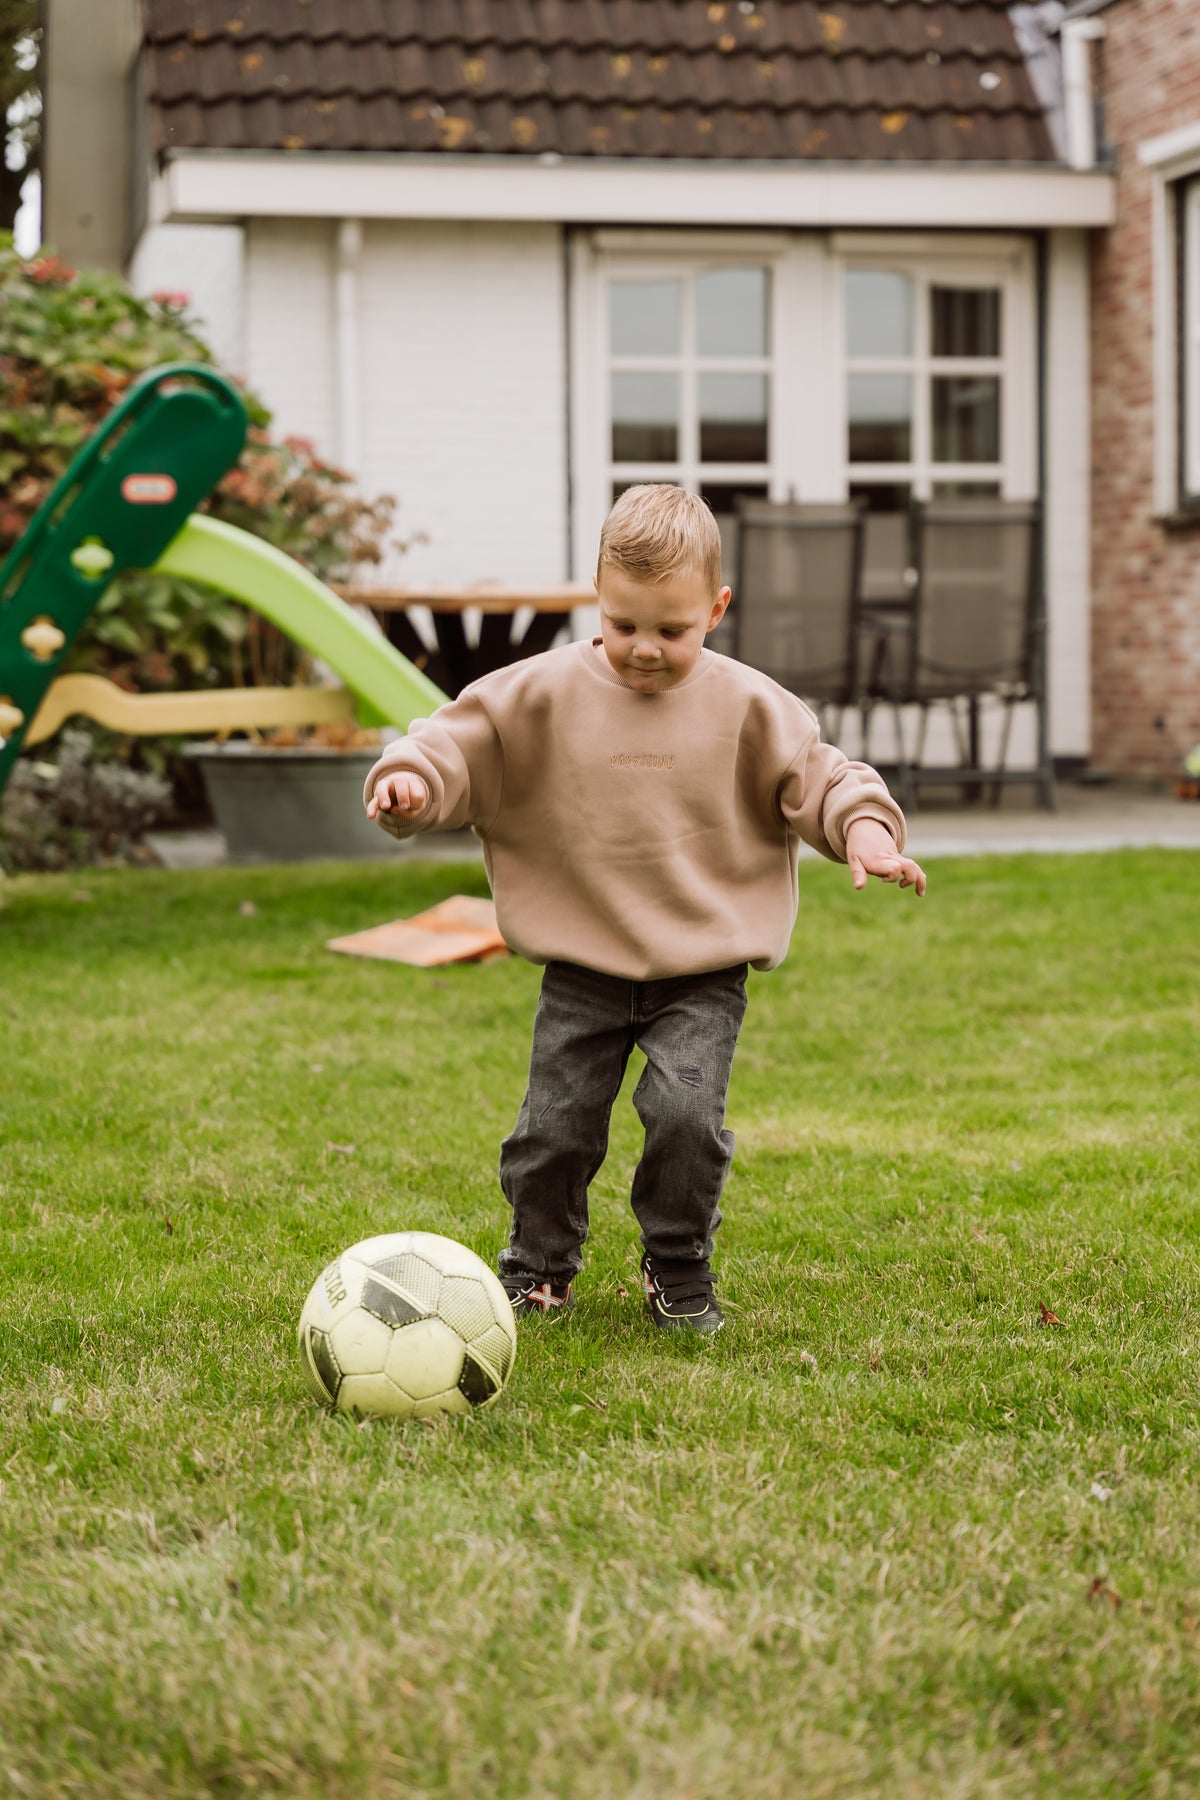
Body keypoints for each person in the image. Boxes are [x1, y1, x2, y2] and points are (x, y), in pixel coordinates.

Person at [364, 485, 926, 1335]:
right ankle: (539, 1268)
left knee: (685, 1119)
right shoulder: (537, 694)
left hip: (701, 970)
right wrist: (410, 784)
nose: (646, 650)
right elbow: (453, 745)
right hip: (582, 968)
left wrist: (866, 831)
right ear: (598, 595)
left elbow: (825, 777)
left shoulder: (753, 707)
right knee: (552, 1130)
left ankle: (678, 1267)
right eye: (625, 626)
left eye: (673, 630)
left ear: (717, 607)